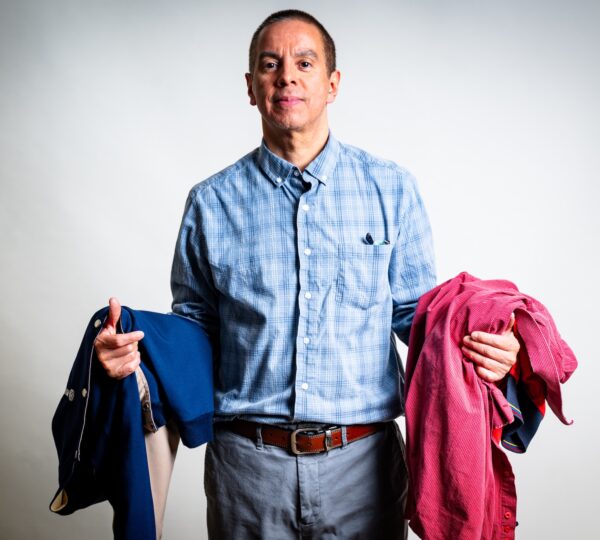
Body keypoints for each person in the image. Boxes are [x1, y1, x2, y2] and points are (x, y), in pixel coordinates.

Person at [94, 9, 520, 539]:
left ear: (332, 83)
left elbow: (419, 317)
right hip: (247, 472)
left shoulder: (392, 189)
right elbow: (195, 331)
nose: (286, 77)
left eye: (304, 63)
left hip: (364, 469)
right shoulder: (210, 202)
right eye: (270, 64)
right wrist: (133, 358)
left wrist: (491, 348)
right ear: (251, 87)